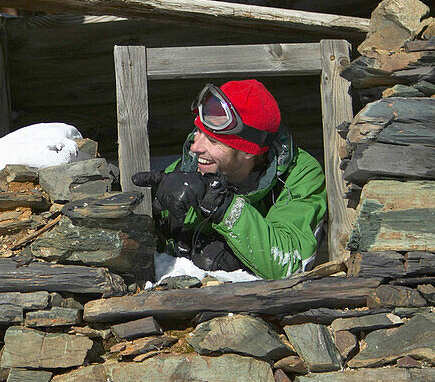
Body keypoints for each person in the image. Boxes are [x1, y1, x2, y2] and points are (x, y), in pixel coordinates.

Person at [132, 79, 327, 280]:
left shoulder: (298, 174)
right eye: (198, 132)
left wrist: (222, 206)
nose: (195, 147)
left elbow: (288, 266)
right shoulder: (185, 171)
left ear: (249, 151)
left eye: (213, 140)